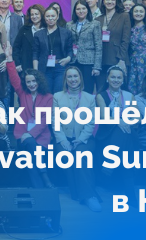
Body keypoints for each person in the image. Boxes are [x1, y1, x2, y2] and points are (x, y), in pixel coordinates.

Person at [5, 47, 54, 189]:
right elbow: (14, 78)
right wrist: (9, 59)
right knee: (31, 146)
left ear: (39, 81)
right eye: (28, 82)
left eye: (34, 81)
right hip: (23, 137)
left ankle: (39, 187)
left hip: (41, 138)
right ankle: (45, 178)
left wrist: (30, 134)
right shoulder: (23, 94)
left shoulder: (48, 97)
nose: (31, 84)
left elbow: (45, 120)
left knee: (30, 157)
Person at [53, 66, 100, 211]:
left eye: (75, 76)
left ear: (80, 78)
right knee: (66, 155)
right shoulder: (57, 97)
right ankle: (77, 193)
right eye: (69, 76)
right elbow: (55, 122)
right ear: (65, 79)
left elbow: (91, 122)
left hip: (84, 138)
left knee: (81, 154)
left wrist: (81, 139)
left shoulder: (89, 98)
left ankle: (89, 196)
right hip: (64, 138)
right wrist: (62, 140)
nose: (73, 79)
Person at [94, 66, 138, 199]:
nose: (116, 80)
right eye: (113, 77)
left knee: (123, 132)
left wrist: (126, 122)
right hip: (107, 134)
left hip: (127, 131)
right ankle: (131, 194)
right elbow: (104, 117)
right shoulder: (101, 96)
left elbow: (137, 118)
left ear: (123, 80)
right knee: (124, 138)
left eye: (119, 77)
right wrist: (119, 121)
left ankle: (110, 163)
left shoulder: (129, 96)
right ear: (107, 79)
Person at [95, 0, 131, 93]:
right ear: (103, 1)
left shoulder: (124, 16)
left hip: (117, 58)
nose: (110, 2)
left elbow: (126, 39)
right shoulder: (98, 19)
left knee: (119, 90)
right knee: (101, 91)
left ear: (116, 1)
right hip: (101, 60)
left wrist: (121, 59)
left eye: (112, 0)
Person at [33, 6, 73, 92]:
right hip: (45, 67)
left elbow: (70, 49)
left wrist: (68, 58)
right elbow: (35, 53)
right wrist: (36, 71)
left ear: (57, 17)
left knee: (59, 93)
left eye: (53, 16)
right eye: (48, 16)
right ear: (44, 18)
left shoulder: (66, 33)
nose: (50, 18)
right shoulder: (38, 34)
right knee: (47, 94)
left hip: (61, 66)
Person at [66, 0, 102, 94]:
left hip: (89, 62)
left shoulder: (95, 24)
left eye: (83, 8)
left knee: (87, 89)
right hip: (73, 61)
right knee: (73, 87)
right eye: (78, 9)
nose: (81, 11)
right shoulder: (69, 24)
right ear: (75, 11)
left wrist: (97, 67)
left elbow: (98, 46)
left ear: (87, 10)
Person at [13, 4, 44, 75]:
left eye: (36, 14)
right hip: (26, 64)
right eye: (32, 14)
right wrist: (17, 63)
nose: (34, 16)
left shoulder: (47, 28)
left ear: (41, 14)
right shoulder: (24, 29)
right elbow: (16, 47)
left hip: (44, 65)